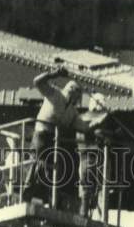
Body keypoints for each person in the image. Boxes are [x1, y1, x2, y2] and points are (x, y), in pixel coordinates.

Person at [22, 66, 109, 208]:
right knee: (36, 164)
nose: (76, 100)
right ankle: (26, 193)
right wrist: (53, 74)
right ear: (71, 92)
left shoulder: (72, 112)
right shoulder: (54, 95)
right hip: (42, 136)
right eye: (76, 96)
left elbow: (85, 128)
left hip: (54, 141)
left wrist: (102, 119)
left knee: (54, 171)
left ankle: (50, 200)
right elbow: (37, 82)